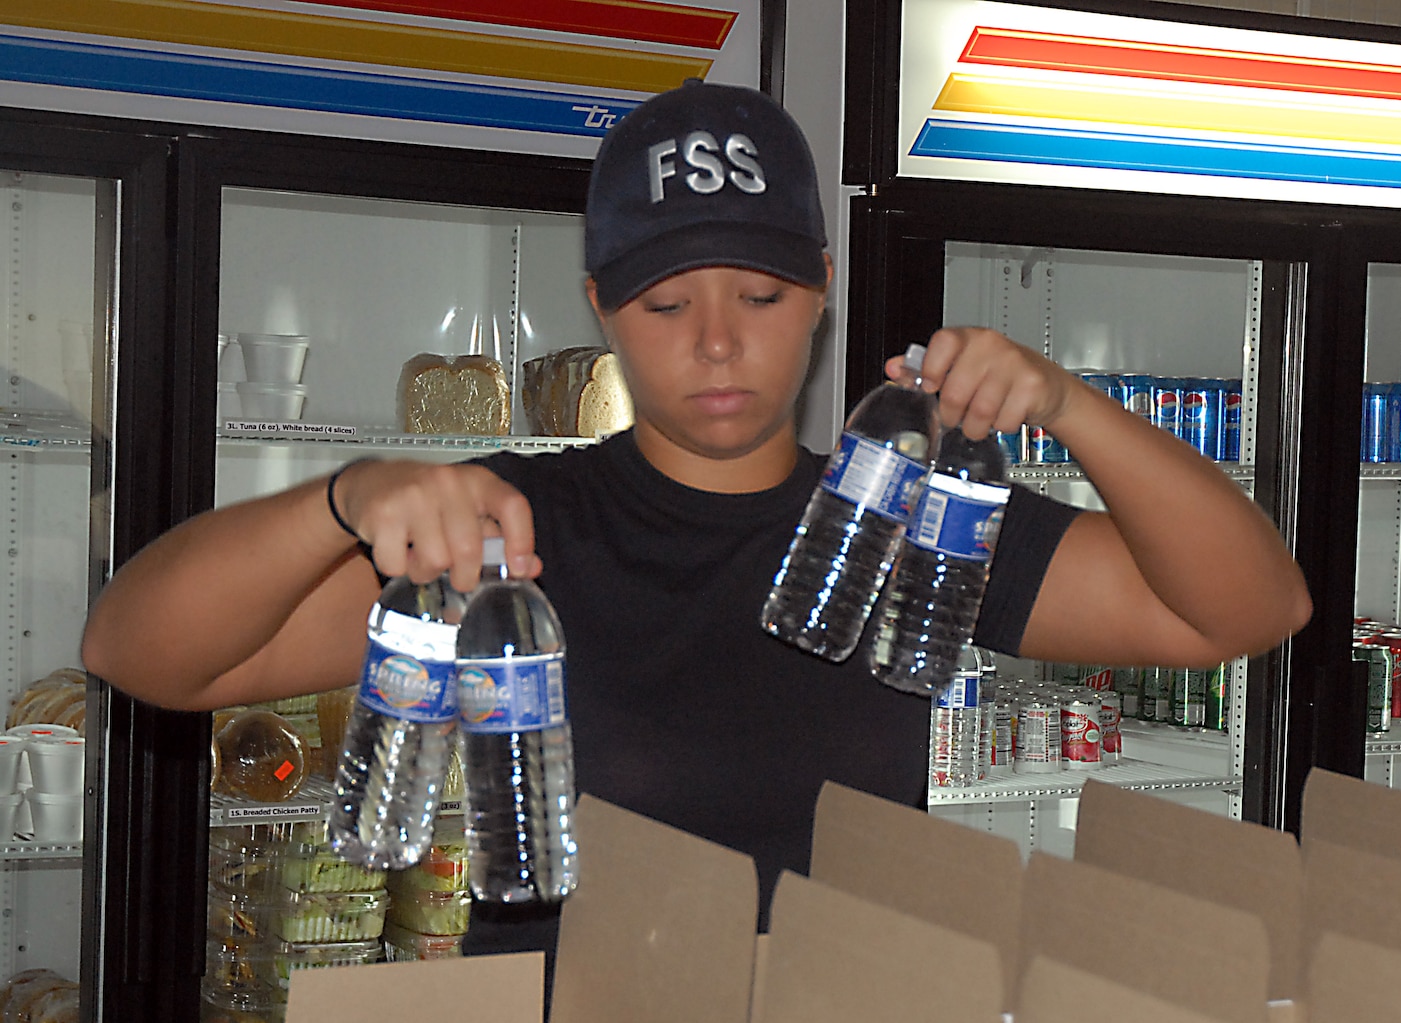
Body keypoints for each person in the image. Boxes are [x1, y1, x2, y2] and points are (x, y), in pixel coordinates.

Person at [80, 80, 1311, 965]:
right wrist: (341, 498)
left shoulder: (897, 520)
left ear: (820, 290)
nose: (717, 343)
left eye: (760, 295)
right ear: (602, 308)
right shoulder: (511, 530)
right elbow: (143, 654)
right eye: (667, 305)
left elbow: (1247, 608)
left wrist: (1070, 406)